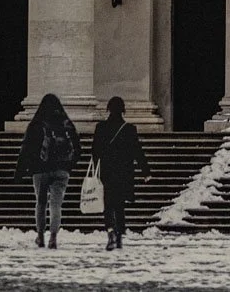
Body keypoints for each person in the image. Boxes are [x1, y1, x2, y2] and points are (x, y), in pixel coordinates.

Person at [15, 93, 81, 249]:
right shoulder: (66, 124)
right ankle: (53, 237)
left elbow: (26, 149)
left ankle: (40, 236)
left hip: (40, 169)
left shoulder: (36, 124)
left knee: (41, 203)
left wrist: (20, 170)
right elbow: (78, 148)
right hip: (61, 170)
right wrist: (69, 165)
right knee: (56, 205)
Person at [91, 97, 150, 251]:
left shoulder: (101, 127)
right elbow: (137, 151)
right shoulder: (129, 128)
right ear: (123, 109)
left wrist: (96, 169)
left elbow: (95, 151)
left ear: (108, 109)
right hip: (124, 172)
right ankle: (119, 235)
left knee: (108, 204)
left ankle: (110, 230)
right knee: (119, 205)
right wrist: (145, 171)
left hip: (106, 172)